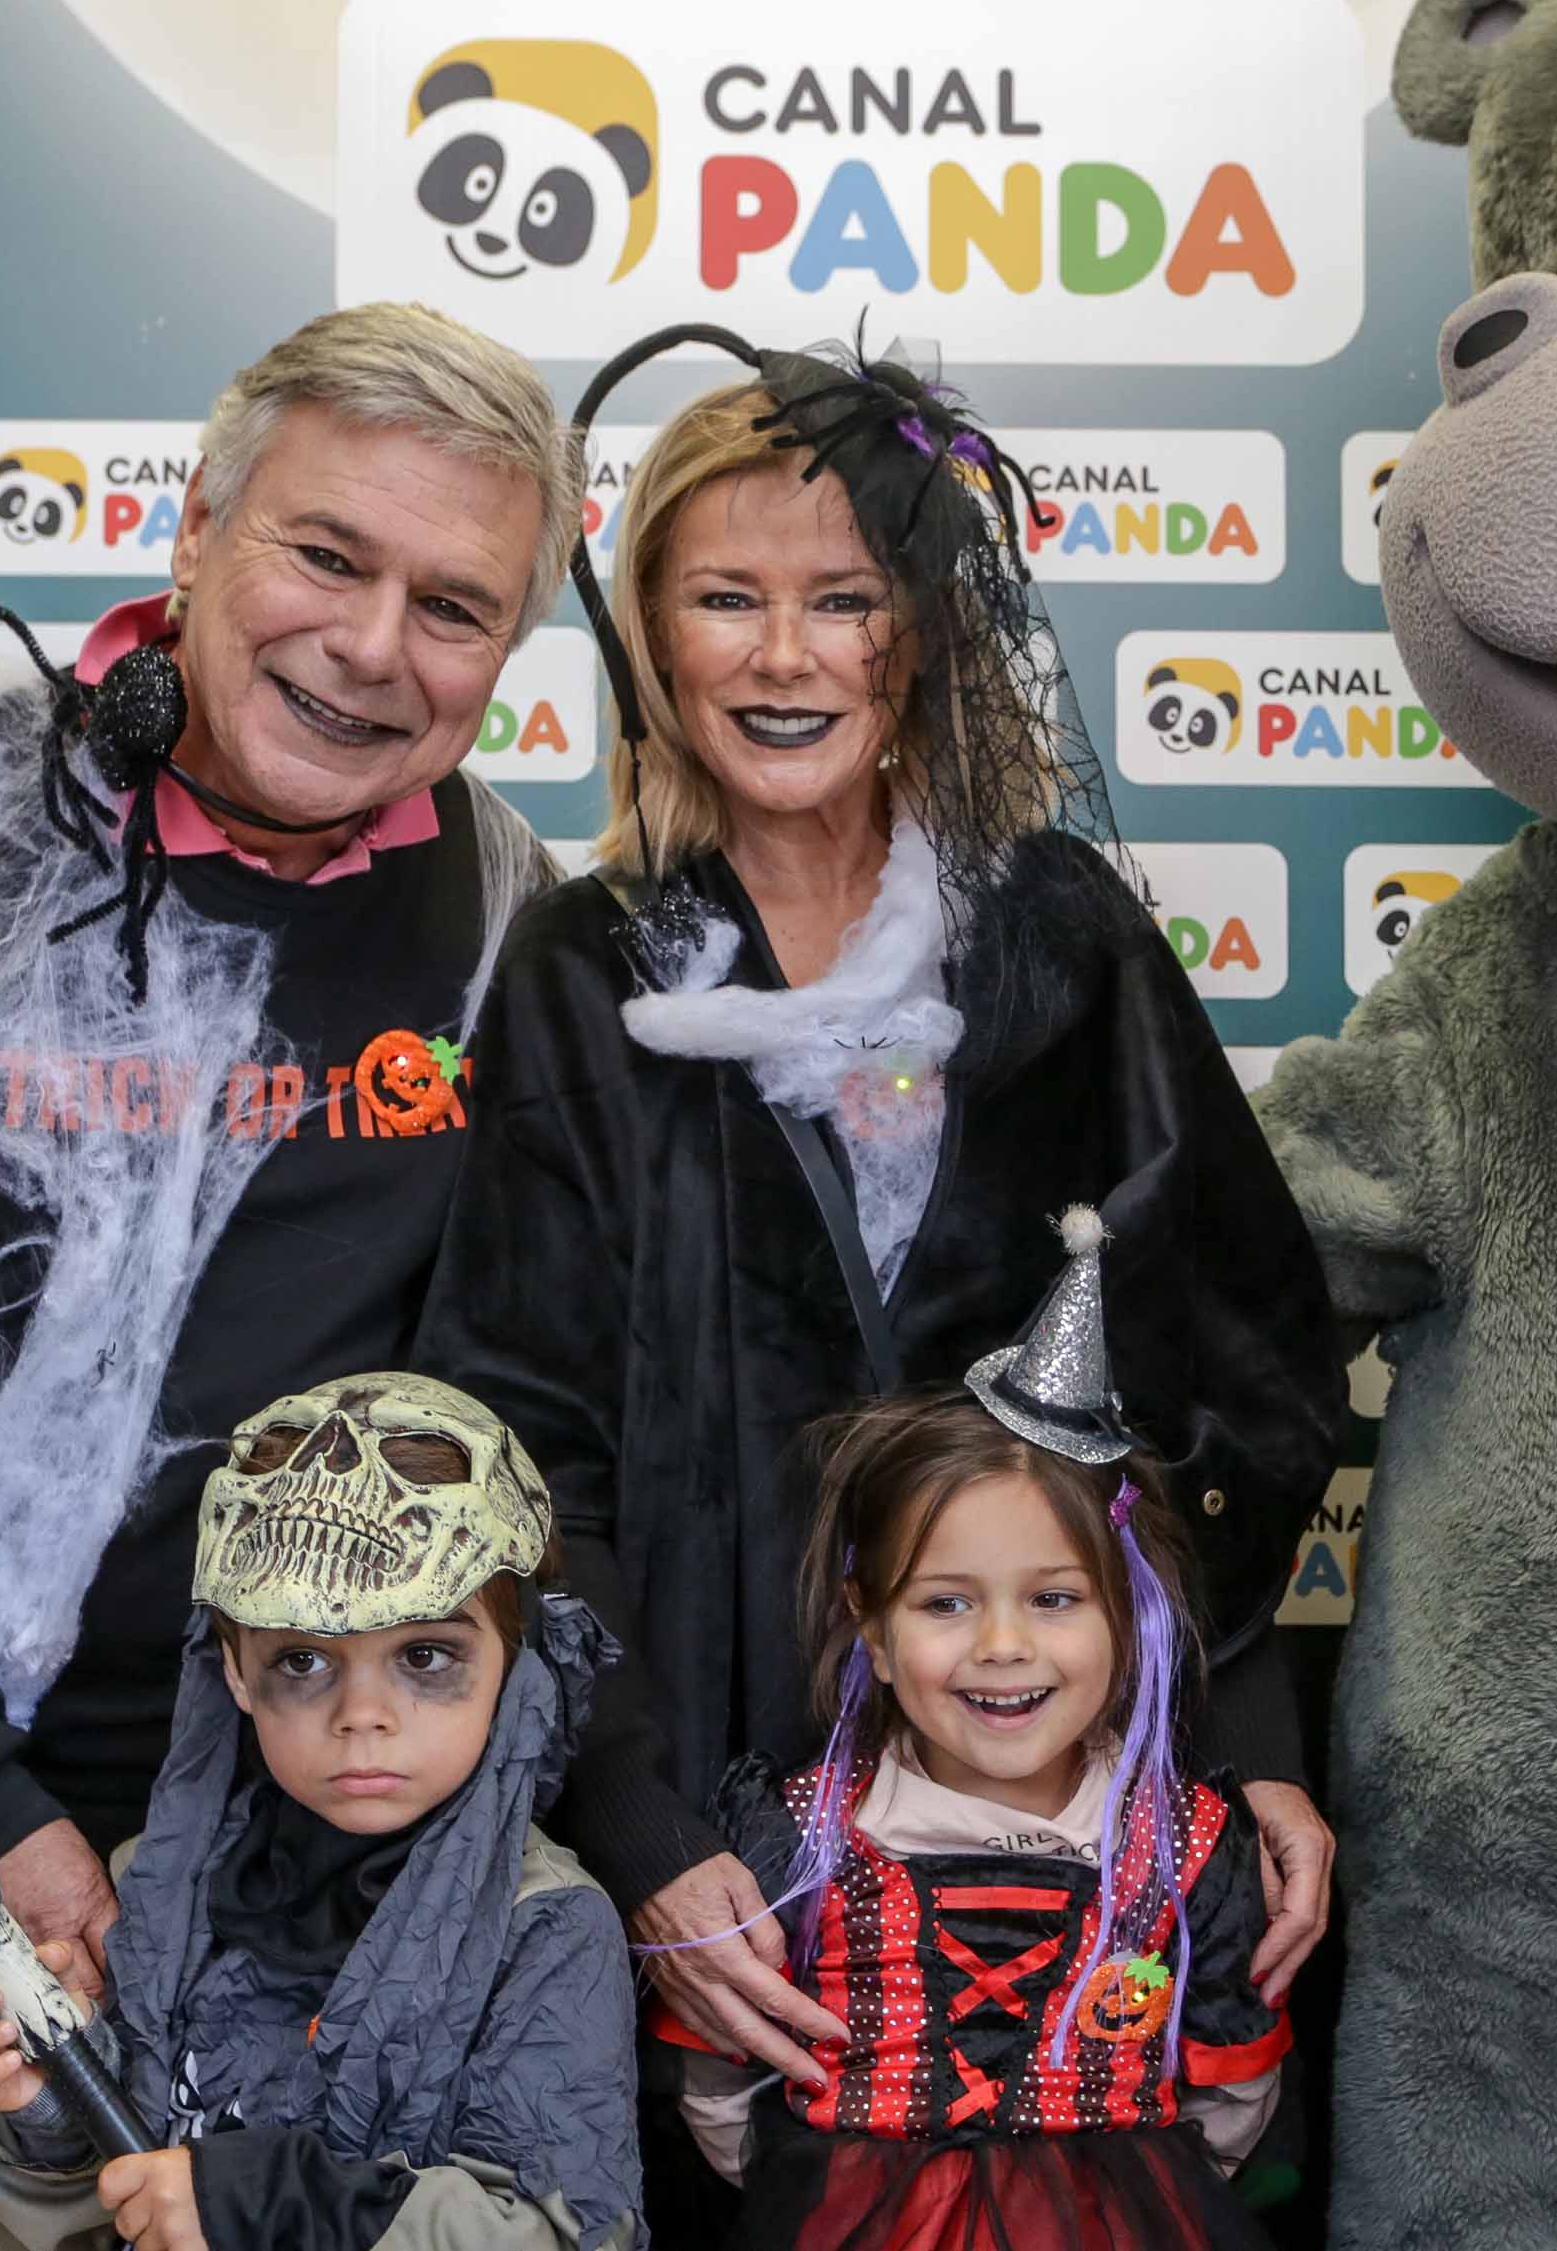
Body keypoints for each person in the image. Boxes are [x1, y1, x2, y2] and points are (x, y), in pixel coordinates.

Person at [0, 302, 579, 2251]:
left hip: (344, 1836)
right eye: (326, 553)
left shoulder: (507, 916)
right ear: (197, 530)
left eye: (454, 605)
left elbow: (538, 1410)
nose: (372, 644)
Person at [412, 338, 1345, 2221]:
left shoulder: (1058, 934)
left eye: (840, 599)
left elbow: (1217, 1368)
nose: (784, 656)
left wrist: (1243, 1753)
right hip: (730, 1850)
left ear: (915, 638)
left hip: (1075, 1829)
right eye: (724, 598)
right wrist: (643, 1834)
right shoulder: (587, 969)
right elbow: (517, 1451)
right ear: (648, 638)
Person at [668, 1215, 1285, 2250]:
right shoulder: (797, 1833)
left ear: (1129, 1613)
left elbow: (1230, 2088)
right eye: (946, 1603)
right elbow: (721, 2076)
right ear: (871, 1621)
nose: (1002, 1645)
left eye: (1054, 1599)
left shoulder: (1188, 1845)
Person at [0, 1372, 644, 2251]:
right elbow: (104, 2218)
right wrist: (51, 2116)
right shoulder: (153, 1893)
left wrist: (273, 2204)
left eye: (425, 1654)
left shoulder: (545, 1929)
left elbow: (567, 2236)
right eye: (303, 1660)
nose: (362, 1715)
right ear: (235, 1668)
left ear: (514, 1659)